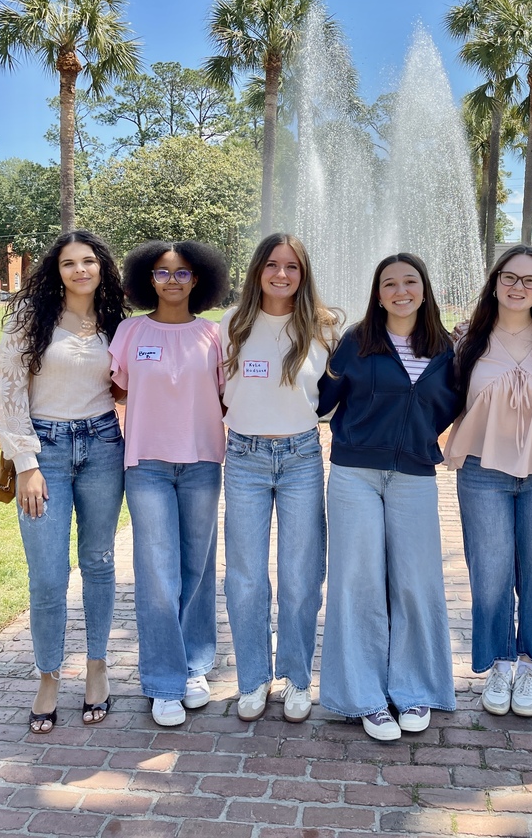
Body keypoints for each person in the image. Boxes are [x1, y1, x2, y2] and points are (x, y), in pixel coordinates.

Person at [317, 253, 460, 741]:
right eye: (390, 284)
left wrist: (419, 440)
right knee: (357, 582)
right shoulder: (356, 341)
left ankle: (415, 689)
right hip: (354, 473)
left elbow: (451, 406)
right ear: (378, 294)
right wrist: (312, 346)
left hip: (415, 476)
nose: (401, 291)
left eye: (410, 281)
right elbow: (320, 401)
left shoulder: (447, 349)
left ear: (425, 288)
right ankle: (364, 697)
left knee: (416, 583)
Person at [0, 230, 127, 733]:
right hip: (45, 451)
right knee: (48, 574)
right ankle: (48, 675)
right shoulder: (31, 320)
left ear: (101, 268)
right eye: (69, 263)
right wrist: (25, 462)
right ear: (56, 271)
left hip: (104, 448)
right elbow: (6, 393)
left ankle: (96, 668)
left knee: (99, 562)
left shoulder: (115, 321)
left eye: (88, 261)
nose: (80, 270)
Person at [444, 246, 532, 718]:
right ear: (495, 281)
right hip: (483, 472)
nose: (518, 287)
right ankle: (499, 663)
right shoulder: (468, 339)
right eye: (510, 277)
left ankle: (530, 667)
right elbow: (441, 397)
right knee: (491, 571)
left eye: (530, 280)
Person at [219, 233, 339, 723]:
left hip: (301, 457)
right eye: (272, 265)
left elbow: (335, 395)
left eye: (292, 267)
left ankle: (296, 677)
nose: (282, 275)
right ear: (258, 270)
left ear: (303, 273)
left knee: (301, 574)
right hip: (244, 457)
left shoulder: (325, 327)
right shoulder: (233, 323)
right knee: (245, 576)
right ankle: (251, 680)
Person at [109, 240, 229, 728]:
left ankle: (196, 668)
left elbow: (226, 396)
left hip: (202, 461)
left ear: (197, 279)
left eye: (182, 273)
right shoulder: (129, 331)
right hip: (146, 465)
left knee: (198, 569)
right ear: (148, 279)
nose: (173, 281)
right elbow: (118, 386)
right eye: (162, 273)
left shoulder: (216, 335)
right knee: (158, 575)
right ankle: (163, 681)